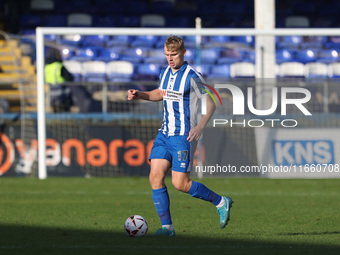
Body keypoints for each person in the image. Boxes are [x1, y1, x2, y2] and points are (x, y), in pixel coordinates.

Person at [127, 35, 233, 236]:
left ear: (183, 53)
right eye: (167, 54)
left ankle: (220, 201)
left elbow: (210, 102)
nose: (170, 58)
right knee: (155, 177)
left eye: (173, 54)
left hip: (182, 136)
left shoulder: (192, 75)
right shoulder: (165, 72)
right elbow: (160, 93)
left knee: (180, 184)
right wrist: (139, 94)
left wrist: (201, 125)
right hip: (164, 134)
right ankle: (167, 228)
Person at [44, 48, 74, 112]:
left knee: (56, 112)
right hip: (62, 94)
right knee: (63, 113)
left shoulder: (46, 66)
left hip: (51, 94)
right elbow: (69, 77)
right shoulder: (59, 66)